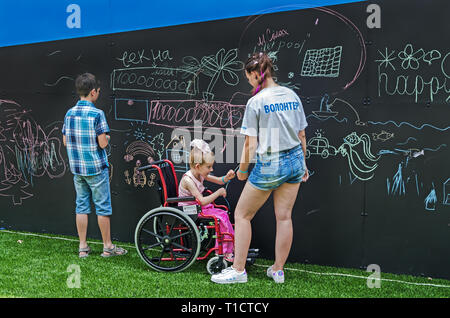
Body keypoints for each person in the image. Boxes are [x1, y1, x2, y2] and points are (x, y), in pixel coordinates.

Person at [211, 52, 309, 284]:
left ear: (256, 75)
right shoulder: (292, 95)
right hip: (295, 158)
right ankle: (277, 270)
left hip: (270, 163)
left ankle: (238, 270)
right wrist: (303, 163)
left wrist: (243, 171)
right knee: (284, 217)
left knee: (242, 215)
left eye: (249, 78)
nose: (249, 83)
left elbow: (250, 144)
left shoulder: (256, 102)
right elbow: (302, 134)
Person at [62, 73, 127, 258]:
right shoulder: (97, 114)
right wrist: (107, 137)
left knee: (81, 206)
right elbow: (103, 143)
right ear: (93, 92)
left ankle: (83, 247)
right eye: (98, 91)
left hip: (77, 169)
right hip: (96, 169)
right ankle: (107, 247)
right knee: (103, 208)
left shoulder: (69, 113)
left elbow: (65, 142)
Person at [178, 139, 236, 261]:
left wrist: (227, 177)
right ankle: (223, 251)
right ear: (198, 166)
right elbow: (202, 201)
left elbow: (220, 180)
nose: (211, 170)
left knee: (223, 214)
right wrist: (219, 192)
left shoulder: (199, 174)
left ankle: (230, 247)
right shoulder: (188, 180)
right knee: (220, 218)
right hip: (190, 210)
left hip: (197, 207)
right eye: (209, 167)